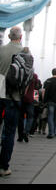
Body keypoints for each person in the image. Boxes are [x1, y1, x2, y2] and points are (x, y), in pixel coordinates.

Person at [0, 26, 23, 176]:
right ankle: (3, 167)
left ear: (9, 36)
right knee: (9, 132)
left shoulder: (1, 50)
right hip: (13, 96)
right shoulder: (24, 52)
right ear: (20, 37)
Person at [17, 72, 41, 142]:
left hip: (22, 98)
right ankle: (26, 132)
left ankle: (20, 136)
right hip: (30, 100)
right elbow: (36, 88)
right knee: (30, 117)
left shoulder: (23, 72)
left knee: (20, 118)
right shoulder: (34, 76)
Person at [43, 68, 56, 139]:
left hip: (50, 101)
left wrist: (44, 101)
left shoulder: (48, 81)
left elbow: (45, 91)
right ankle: (54, 132)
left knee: (50, 116)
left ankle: (51, 133)